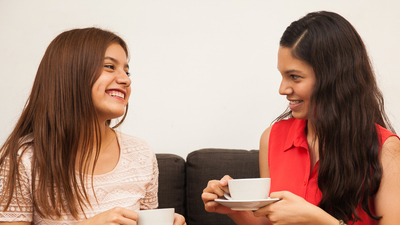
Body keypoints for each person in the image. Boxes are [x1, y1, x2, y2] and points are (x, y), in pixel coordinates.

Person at [202, 11, 400, 225]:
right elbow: (267, 221)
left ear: (333, 78)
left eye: (294, 77)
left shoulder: (386, 150)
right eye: (282, 75)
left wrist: (318, 220)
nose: (282, 89)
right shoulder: (272, 138)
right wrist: (233, 205)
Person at [0, 27, 186, 225]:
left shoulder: (141, 154)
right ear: (70, 73)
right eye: (109, 66)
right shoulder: (23, 158)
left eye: (126, 70)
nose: (125, 79)